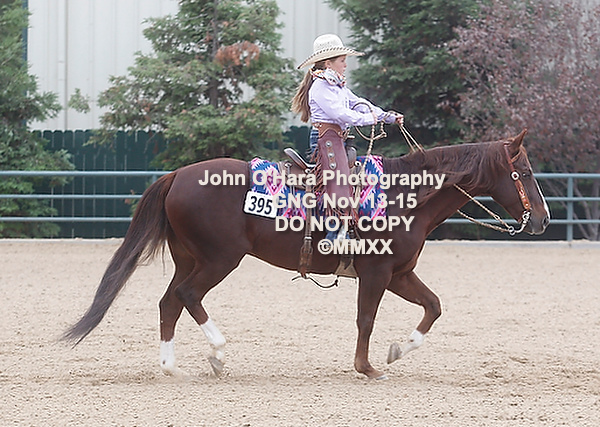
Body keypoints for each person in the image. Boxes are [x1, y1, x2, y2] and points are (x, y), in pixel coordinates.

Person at [291, 34, 404, 240]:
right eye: (342, 60)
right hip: (325, 137)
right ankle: (334, 232)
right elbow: (340, 114)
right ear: (328, 63)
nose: (345, 65)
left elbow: (359, 103)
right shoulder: (320, 87)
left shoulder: (336, 85)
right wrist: (368, 119)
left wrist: (386, 116)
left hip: (337, 137)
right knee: (338, 177)